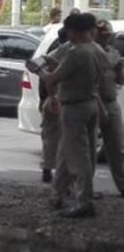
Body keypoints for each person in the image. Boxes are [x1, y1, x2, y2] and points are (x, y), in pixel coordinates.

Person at [29, 13, 101, 218]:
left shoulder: (78, 53)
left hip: (74, 107)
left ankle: (84, 201)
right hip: (89, 103)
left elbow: (52, 77)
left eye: (69, 30)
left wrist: (38, 70)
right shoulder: (96, 50)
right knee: (66, 153)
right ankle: (57, 194)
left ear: (75, 31)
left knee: (79, 157)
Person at [93, 19, 124, 196]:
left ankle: (122, 184)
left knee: (117, 148)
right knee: (89, 150)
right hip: (93, 101)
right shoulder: (92, 53)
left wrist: (119, 70)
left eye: (107, 36)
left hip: (111, 101)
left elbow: (120, 80)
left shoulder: (113, 53)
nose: (105, 39)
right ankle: (83, 190)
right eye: (102, 35)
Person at [39, 27, 71, 183]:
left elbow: (41, 79)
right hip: (60, 99)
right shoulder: (68, 56)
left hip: (52, 100)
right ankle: (59, 173)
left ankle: (47, 168)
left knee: (50, 138)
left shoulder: (52, 55)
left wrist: (44, 99)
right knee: (62, 138)